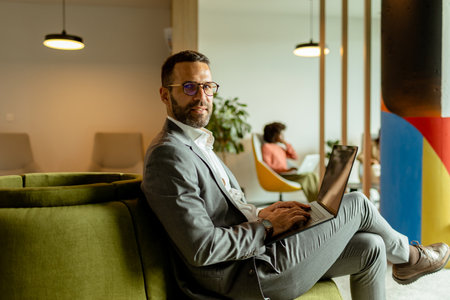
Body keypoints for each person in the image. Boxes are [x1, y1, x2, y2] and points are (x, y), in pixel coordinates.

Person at [141, 50, 450, 300]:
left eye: (208, 87)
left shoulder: (196, 143)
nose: (201, 96)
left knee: (371, 246)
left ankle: (405, 258)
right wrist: (265, 226)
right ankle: (410, 258)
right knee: (355, 203)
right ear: (165, 95)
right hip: (246, 276)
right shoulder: (169, 155)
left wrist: (263, 212)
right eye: (189, 87)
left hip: (256, 257)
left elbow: (222, 214)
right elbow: (201, 248)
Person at [262, 122, 319, 202]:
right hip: (280, 176)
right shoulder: (266, 147)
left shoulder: (279, 147)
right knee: (307, 177)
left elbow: (294, 156)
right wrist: (286, 170)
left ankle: (320, 200)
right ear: (276, 135)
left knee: (313, 174)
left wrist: (285, 143)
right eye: (281, 133)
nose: (283, 135)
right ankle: (314, 202)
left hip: (287, 173)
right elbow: (268, 167)